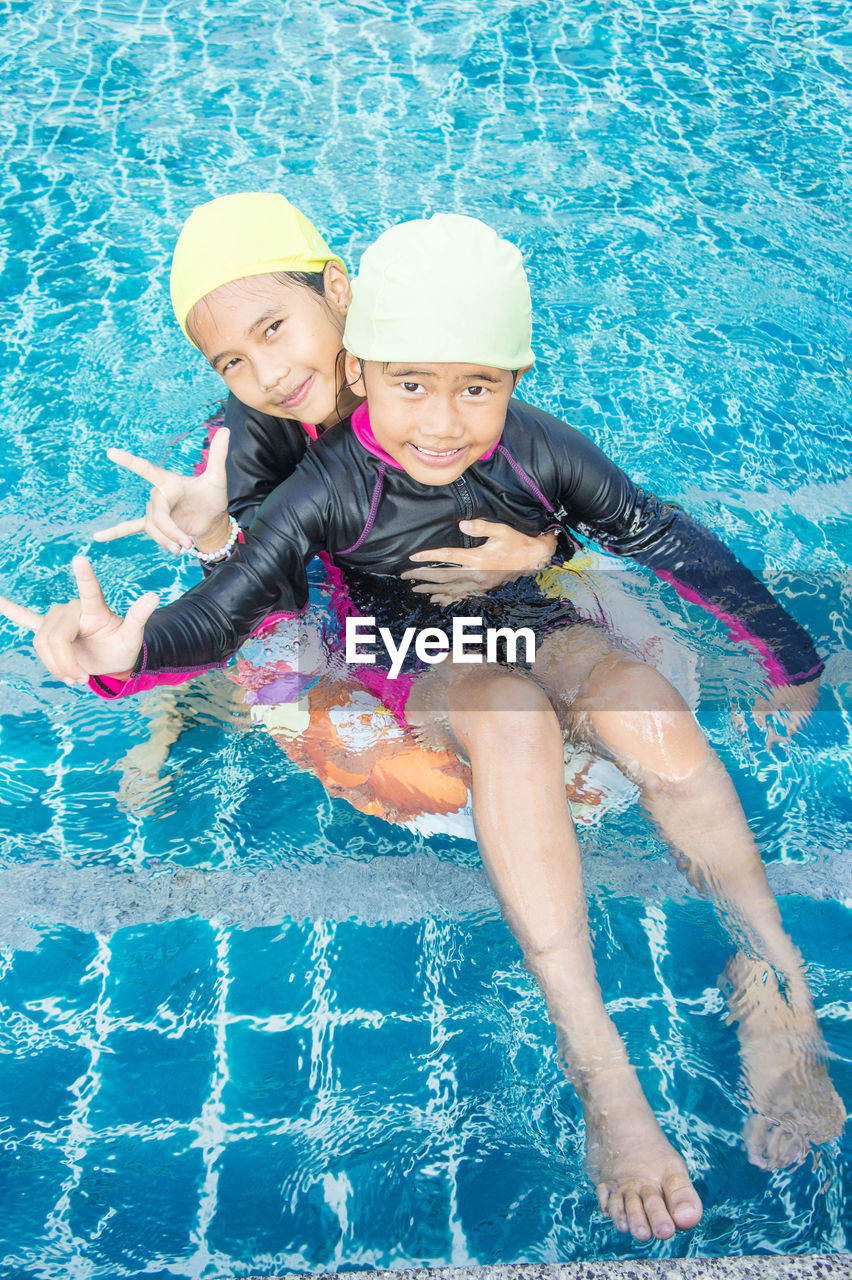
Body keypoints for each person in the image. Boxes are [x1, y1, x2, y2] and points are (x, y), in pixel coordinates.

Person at [1, 213, 843, 1244]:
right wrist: (136, 644)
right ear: (368, 367)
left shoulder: (499, 411)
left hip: (532, 610)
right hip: (403, 650)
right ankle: (604, 1073)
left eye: (277, 328)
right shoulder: (287, 457)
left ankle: (776, 988)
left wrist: (786, 657)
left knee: (654, 714)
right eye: (234, 355)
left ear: (342, 301)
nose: (264, 370)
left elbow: (661, 533)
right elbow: (235, 607)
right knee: (514, 723)